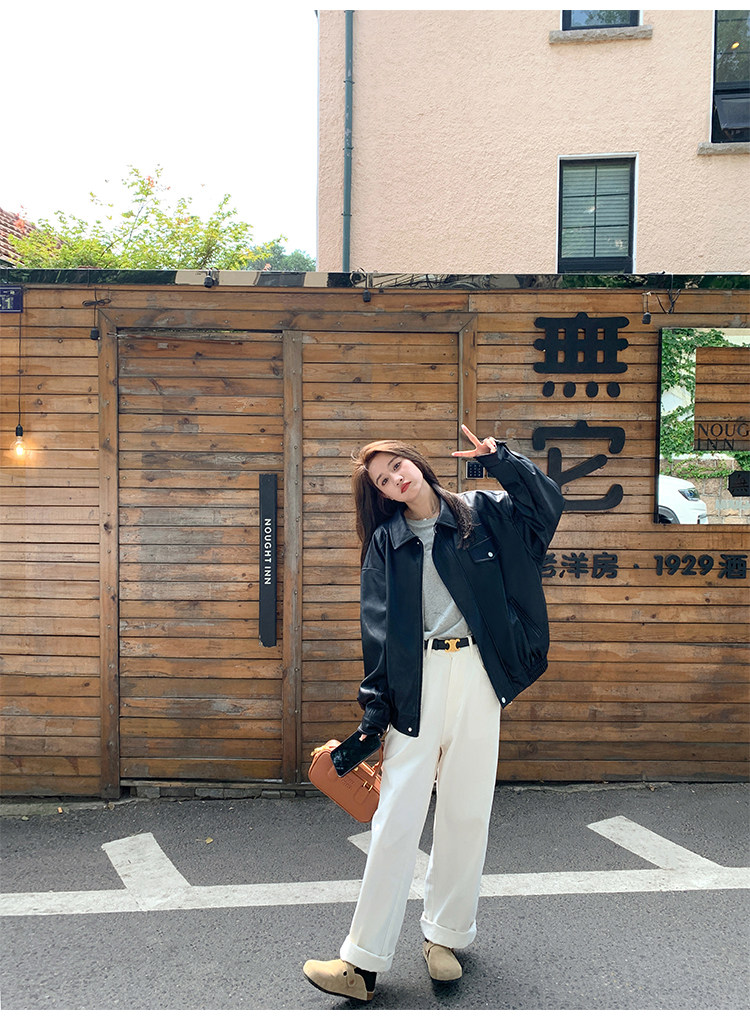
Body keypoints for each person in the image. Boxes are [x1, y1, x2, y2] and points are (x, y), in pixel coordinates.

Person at [303, 425, 564, 1002]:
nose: (395, 478)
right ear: (381, 494)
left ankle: (444, 938)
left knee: (467, 811)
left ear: (416, 463)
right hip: (415, 680)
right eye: (382, 479)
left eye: (397, 465)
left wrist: (501, 460)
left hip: (477, 673)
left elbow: (546, 509)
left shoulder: (483, 513)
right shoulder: (387, 543)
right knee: (396, 816)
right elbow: (378, 633)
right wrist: (375, 713)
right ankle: (361, 963)